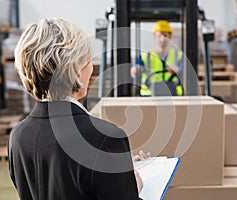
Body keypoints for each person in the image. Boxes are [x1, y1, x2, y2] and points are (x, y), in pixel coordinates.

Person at [8, 18, 144, 200]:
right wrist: (132, 188)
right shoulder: (105, 138)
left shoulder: (18, 136)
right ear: (77, 69)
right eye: (89, 61)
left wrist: (119, 173)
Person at [130, 20, 184, 96]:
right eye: (159, 36)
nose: (162, 39)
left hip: (172, 95)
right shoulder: (146, 56)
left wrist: (178, 70)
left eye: (165, 35)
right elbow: (135, 66)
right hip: (149, 96)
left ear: (170, 36)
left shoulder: (178, 55)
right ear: (155, 36)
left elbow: (185, 71)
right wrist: (135, 70)